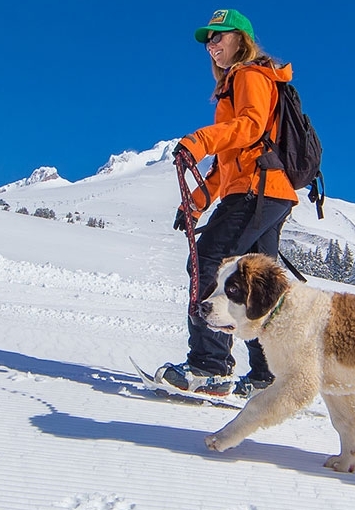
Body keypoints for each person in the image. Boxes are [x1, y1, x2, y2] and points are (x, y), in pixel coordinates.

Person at [155, 8, 298, 397]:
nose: (212, 45)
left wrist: (199, 140)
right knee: (259, 285)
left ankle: (209, 367)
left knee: (209, 265)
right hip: (267, 191)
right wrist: (196, 204)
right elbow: (226, 165)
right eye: (208, 40)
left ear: (241, 40)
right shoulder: (240, 81)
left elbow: (250, 126)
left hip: (258, 190)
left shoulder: (251, 74)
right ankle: (269, 377)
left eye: (220, 36)